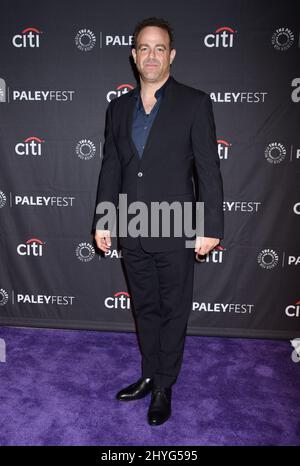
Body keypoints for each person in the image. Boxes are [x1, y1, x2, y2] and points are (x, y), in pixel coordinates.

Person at [92, 17, 224, 426]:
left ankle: (165, 384)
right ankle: (149, 374)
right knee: (146, 308)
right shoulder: (117, 108)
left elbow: (208, 169)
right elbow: (111, 166)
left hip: (177, 225)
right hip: (131, 224)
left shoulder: (194, 102)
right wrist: (104, 218)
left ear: (172, 55)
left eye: (159, 48)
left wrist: (211, 226)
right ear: (134, 56)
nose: (151, 55)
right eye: (144, 48)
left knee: (173, 309)